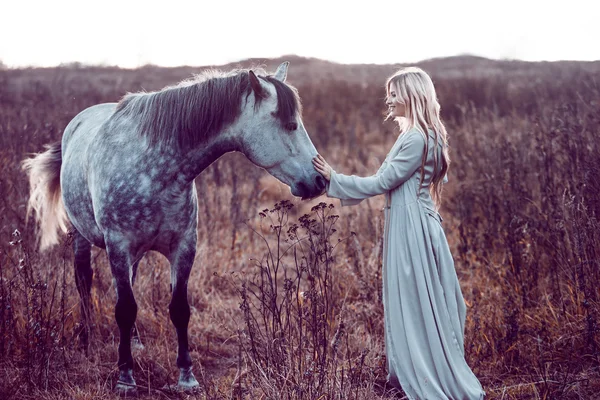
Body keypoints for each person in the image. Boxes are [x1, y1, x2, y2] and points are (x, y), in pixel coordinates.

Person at [312, 67, 485, 399]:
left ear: (412, 95)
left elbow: (381, 183)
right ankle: (419, 369)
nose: (388, 99)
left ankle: (422, 376)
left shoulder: (416, 137)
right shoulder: (431, 134)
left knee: (412, 298)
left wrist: (333, 179)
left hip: (411, 228)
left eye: (394, 93)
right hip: (421, 223)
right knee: (424, 298)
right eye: (388, 93)